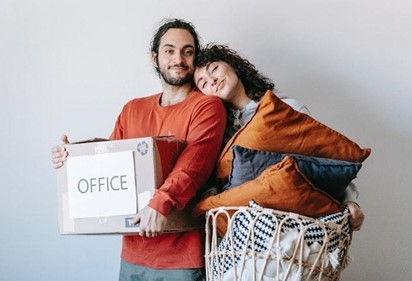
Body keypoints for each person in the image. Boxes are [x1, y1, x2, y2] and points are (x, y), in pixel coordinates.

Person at [52, 19, 227, 281]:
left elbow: (194, 164)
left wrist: (161, 202)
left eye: (187, 51)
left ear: (194, 59)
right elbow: (110, 162)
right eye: (169, 50)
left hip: (181, 256)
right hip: (132, 255)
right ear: (155, 58)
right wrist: (73, 159)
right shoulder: (132, 109)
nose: (178, 59)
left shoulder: (207, 107)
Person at [192, 43, 365, 231]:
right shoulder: (218, 131)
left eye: (214, 69)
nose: (212, 80)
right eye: (203, 83)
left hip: (299, 222)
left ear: (233, 65)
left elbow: (326, 160)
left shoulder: (287, 109)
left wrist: (350, 201)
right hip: (248, 233)